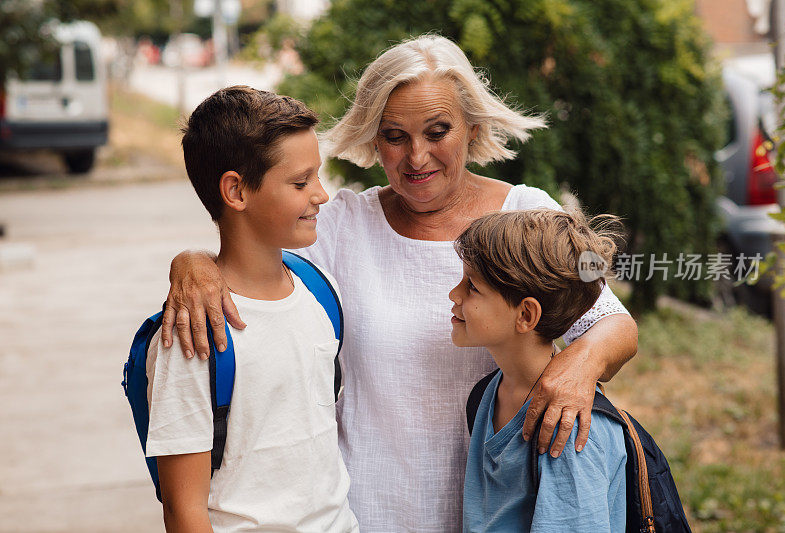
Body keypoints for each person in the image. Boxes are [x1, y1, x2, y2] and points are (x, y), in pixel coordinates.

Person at [161, 35, 638, 530]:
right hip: (362, 517)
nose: (416, 157)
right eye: (394, 135)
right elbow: (248, 248)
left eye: (438, 131)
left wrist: (582, 363)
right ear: (372, 136)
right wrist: (192, 261)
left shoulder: (530, 215)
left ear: (471, 127)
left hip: (501, 515)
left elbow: (615, 323)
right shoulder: (341, 225)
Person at [144, 86, 359, 532]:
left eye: (317, 176)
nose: (321, 195)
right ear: (236, 191)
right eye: (301, 182)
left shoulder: (322, 293)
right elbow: (183, 511)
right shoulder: (193, 332)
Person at [451, 209, 627, 532]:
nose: (455, 294)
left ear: (526, 315)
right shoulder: (490, 393)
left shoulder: (567, 430)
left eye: (472, 287)